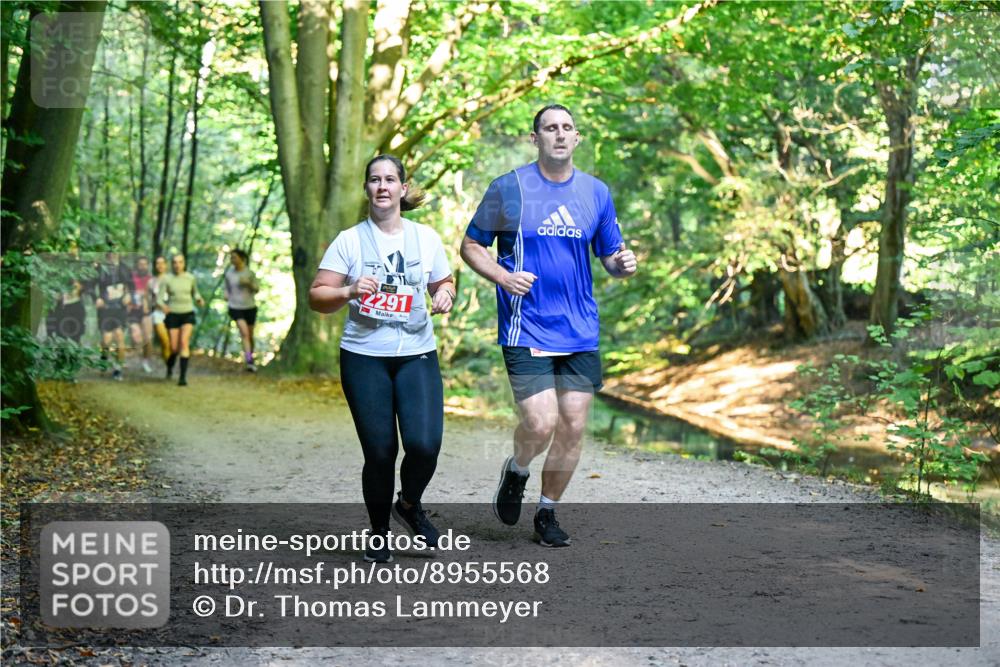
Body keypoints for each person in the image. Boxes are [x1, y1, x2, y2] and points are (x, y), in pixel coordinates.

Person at [460, 104, 638, 547]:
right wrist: (502, 276)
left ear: (577, 138)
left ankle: (547, 512)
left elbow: (610, 257)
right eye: (549, 128)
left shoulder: (596, 192)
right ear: (534, 138)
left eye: (567, 128)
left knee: (573, 425)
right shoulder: (509, 188)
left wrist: (623, 263)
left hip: (579, 329)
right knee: (541, 424)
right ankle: (517, 469)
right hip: (527, 326)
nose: (559, 134)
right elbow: (470, 245)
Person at [309, 155, 456, 563]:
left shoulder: (425, 238)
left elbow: (443, 281)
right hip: (364, 357)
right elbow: (317, 295)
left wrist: (445, 293)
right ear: (367, 189)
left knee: (425, 446)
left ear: (403, 188)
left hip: (416, 353)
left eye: (390, 179)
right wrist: (349, 291)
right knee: (380, 452)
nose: (383, 186)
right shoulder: (350, 240)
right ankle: (378, 532)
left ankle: (408, 505)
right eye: (374, 180)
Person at [158, 254, 205, 386]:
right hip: (173, 314)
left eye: (180, 262)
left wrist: (199, 299)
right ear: (172, 264)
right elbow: (159, 298)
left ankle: (183, 377)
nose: (177, 265)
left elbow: (195, 292)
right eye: (174, 262)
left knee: (184, 342)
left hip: (187, 313)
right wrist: (163, 306)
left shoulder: (190, 278)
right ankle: (170, 367)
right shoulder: (167, 279)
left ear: (184, 264)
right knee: (174, 348)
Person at [94, 250, 133, 381]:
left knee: (119, 338)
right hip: (105, 309)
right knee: (106, 340)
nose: (112, 254)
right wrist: (97, 298)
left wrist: (129, 295)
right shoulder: (100, 268)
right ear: (106, 255)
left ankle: (118, 368)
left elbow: (131, 286)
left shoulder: (125, 268)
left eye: (115, 251)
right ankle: (104, 356)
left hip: (120, 309)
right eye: (109, 252)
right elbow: (89, 285)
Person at [224, 248, 260, 372]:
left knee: (249, 336)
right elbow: (226, 288)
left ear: (241, 258)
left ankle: (251, 356)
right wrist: (226, 294)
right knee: (244, 333)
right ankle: (249, 361)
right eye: (231, 257)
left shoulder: (249, 273)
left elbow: (256, 289)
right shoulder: (229, 273)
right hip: (235, 307)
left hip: (250, 307)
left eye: (234, 257)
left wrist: (248, 284)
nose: (232, 260)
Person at [128, 256, 155, 373]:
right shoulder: (130, 277)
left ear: (148, 266)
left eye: (145, 264)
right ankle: (127, 357)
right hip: (133, 311)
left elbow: (156, 297)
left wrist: (149, 304)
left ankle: (145, 361)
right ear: (137, 266)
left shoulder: (152, 279)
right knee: (137, 338)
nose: (142, 266)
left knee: (148, 338)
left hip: (146, 311)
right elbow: (125, 291)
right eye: (140, 264)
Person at [148, 256, 172, 364]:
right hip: (157, 313)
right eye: (158, 263)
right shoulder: (151, 281)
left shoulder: (172, 279)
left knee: (172, 341)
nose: (160, 265)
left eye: (162, 263)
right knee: (164, 339)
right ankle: (168, 363)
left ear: (166, 265)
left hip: (172, 312)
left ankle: (169, 363)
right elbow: (149, 299)